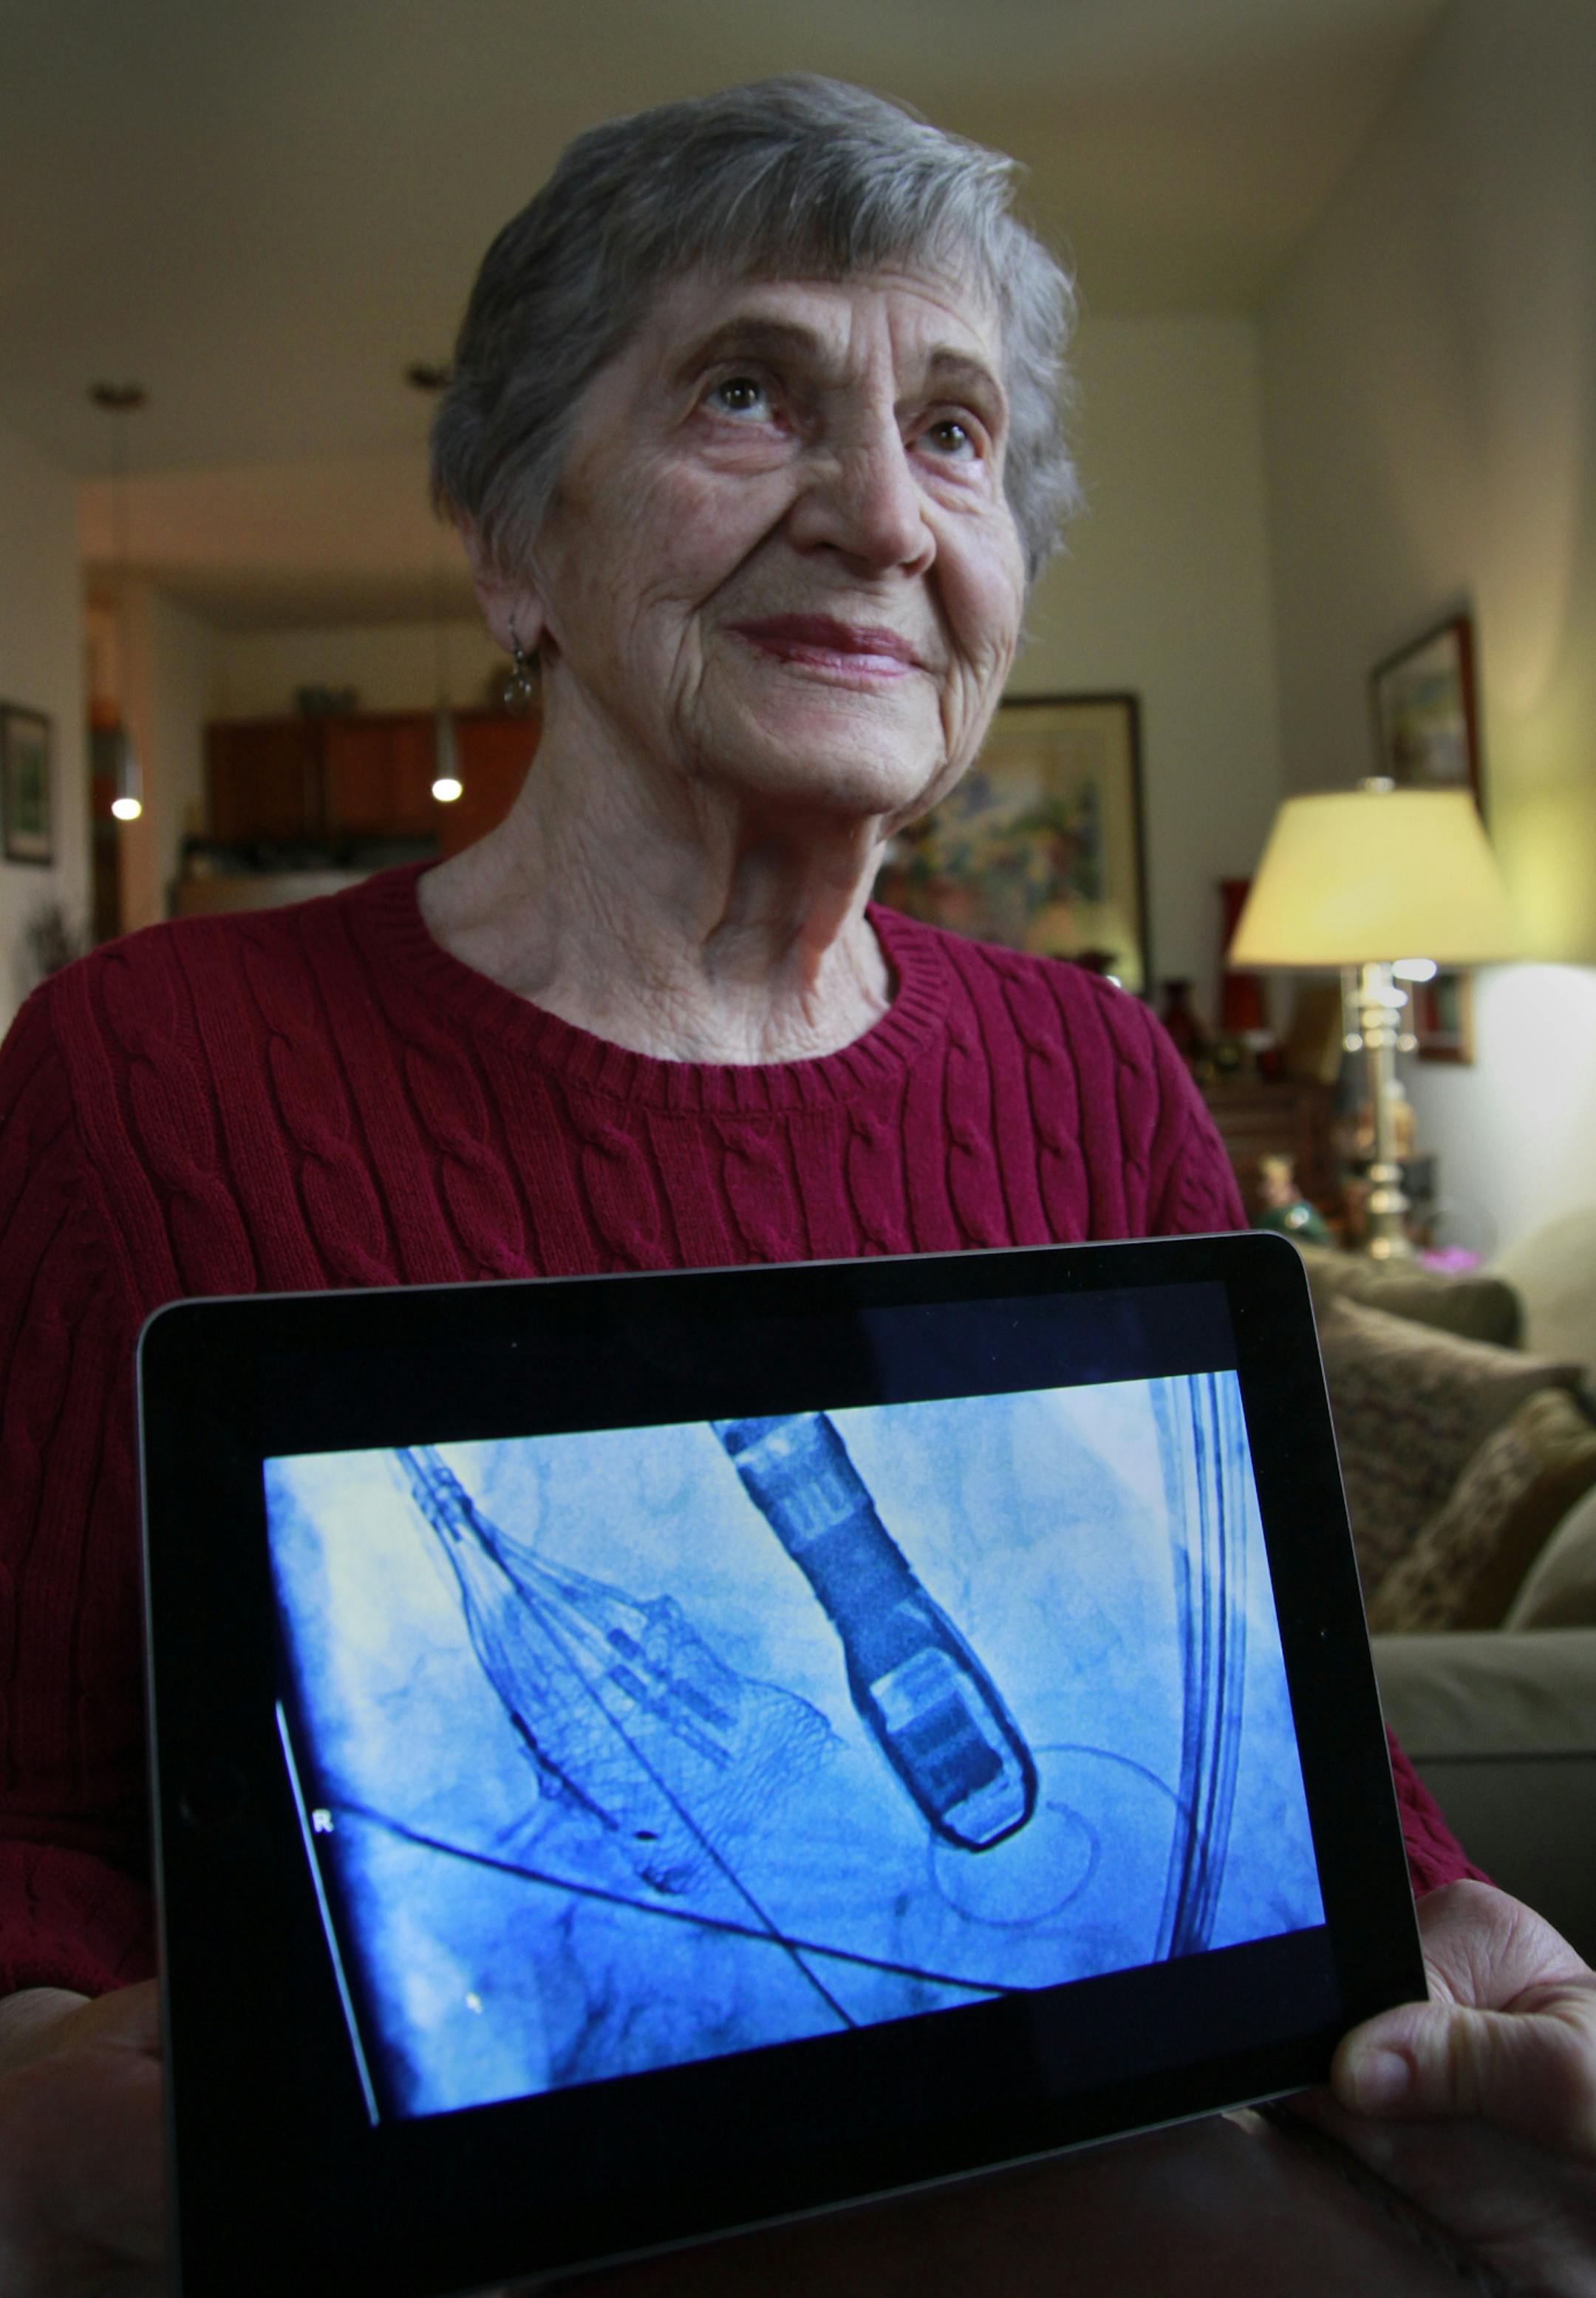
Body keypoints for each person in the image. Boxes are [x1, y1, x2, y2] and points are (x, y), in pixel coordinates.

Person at [0, 75, 1591, 2298]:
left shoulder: (1099, 1076)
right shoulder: (146, 1070)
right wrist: (29, 2104)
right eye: (748, 394)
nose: (877, 511)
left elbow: (1268, 1707)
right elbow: (40, 1809)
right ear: (508, 539)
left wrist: (1459, 1937)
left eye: (954, 434)